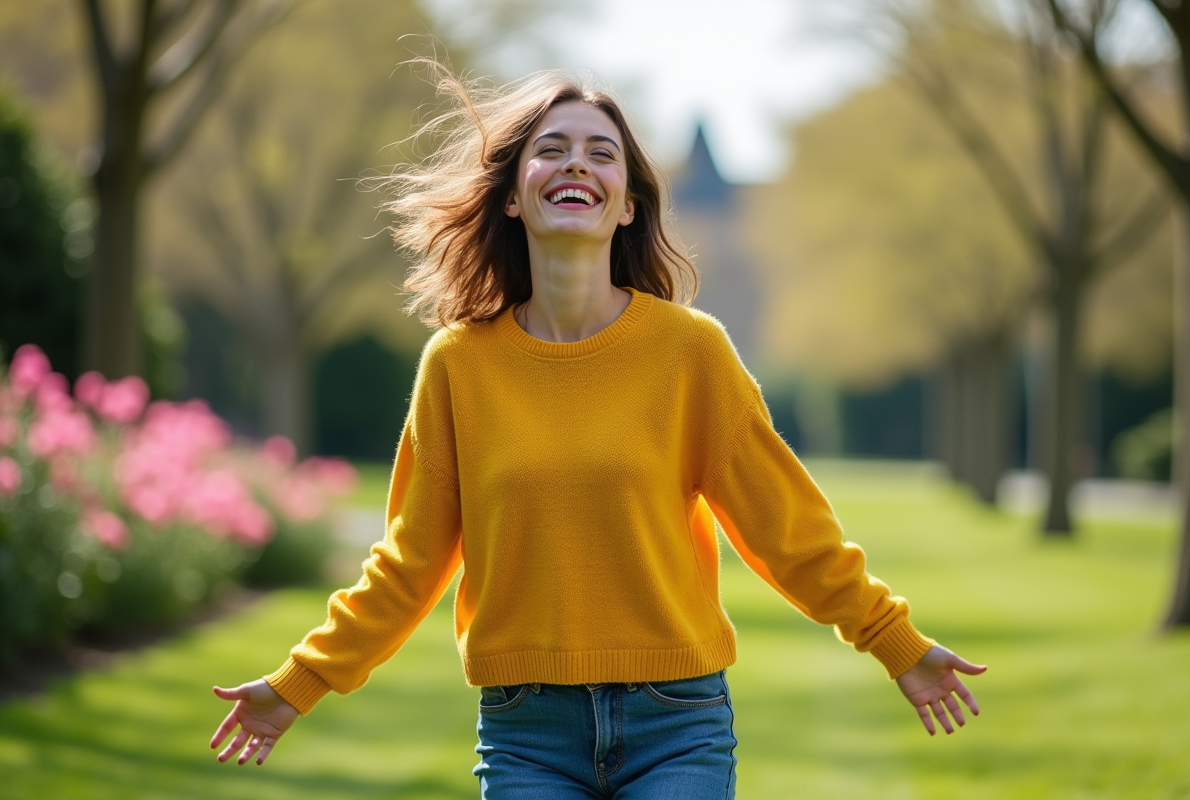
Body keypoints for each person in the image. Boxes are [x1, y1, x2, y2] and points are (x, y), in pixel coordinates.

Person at [209, 66, 986, 798]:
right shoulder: (457, 366)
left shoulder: (691, 353)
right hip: (526, 732)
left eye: (600, 154)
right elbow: (409, 563)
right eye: (551, 149)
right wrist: (298, 683)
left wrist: (894, 641)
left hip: (677, 723)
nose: (575, 164)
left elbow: (789, 530)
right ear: (514, 196)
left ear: (627, 204)